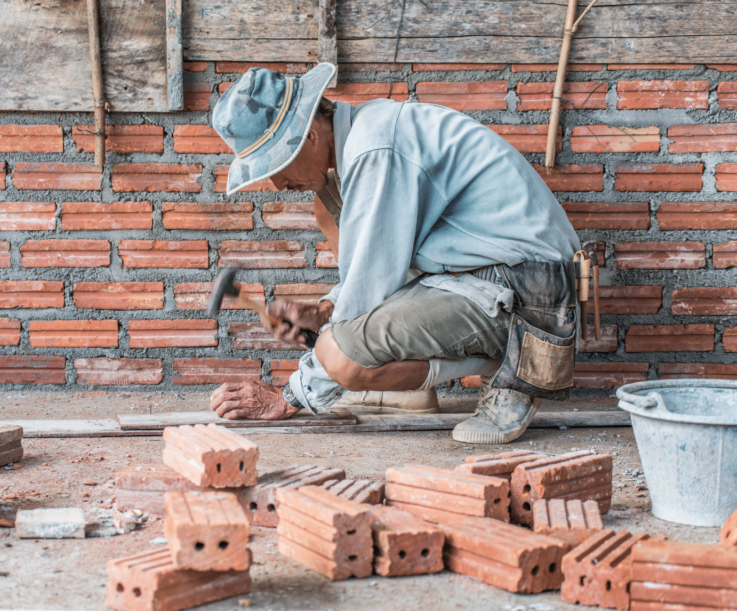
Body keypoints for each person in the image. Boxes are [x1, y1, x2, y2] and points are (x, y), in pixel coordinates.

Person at [207, 63, 582, 445]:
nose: (278, 183)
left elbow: (366, 295)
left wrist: (291, 396)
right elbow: (375, 264)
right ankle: (417, 384)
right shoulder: (365, 135)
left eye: (277, 165)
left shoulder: (375, 149)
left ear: (311, 136)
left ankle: (517, 369)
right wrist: (323, 312)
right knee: (328, 209)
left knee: (340, 357)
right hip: (480, 275)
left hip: (532, 295)